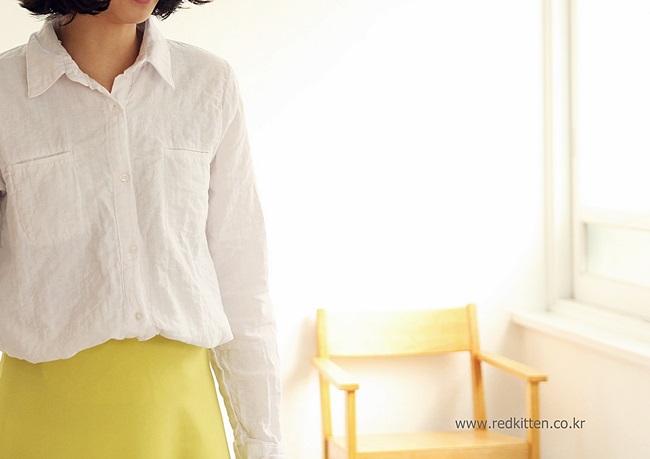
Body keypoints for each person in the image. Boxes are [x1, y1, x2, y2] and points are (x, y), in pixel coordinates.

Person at [0, 0, 283, 458]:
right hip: (43, 421)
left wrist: (261, 442)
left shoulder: (208, 84)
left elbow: (242, 282)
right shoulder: (5, 94)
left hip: (182, 422)